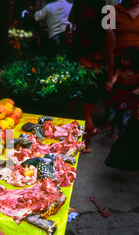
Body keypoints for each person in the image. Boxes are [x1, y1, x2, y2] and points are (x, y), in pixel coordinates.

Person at [68, 0, 107, 153]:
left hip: (89, 74)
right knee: (83, 112)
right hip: (89, 73)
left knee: (85, 114)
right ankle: (82, 143)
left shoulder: (87, 28)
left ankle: (85, 146)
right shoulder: (102, 28)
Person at [106, 46, 139, 138]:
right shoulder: (120, 70)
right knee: (111, 116)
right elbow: (114, 78)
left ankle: (121, 136)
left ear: (134, 60)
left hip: (130, 98)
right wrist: (110, 83)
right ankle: (113, 129)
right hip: (118, 96)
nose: (122, 62)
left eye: (125, 60)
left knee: (126, 119)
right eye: (122, 59)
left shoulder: (137, 73)